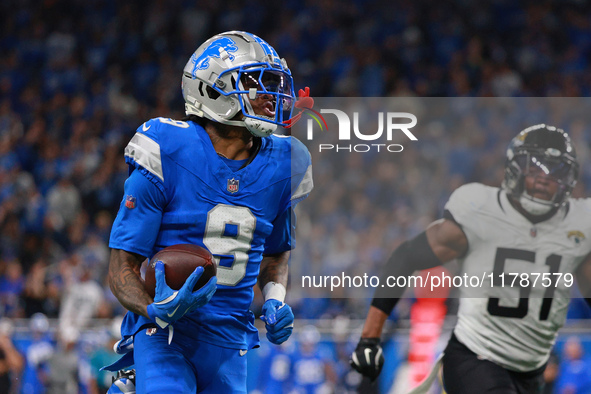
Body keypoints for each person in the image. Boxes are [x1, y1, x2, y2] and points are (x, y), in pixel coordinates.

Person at [104, 30, 313, 393]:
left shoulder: (286, 162)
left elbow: (276, 255)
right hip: (166, 333)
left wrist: (275, 301)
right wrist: (153, 309)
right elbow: (121, 268)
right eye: (256, 83)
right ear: (212, 89)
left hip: (231, 341)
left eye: (274, 83)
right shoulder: (167, 148)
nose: (271, 96)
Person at [351, 124, 591, 393]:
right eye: (534, 169)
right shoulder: (482, 211)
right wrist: (369, 338)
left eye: (554, 171)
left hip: (530, 370)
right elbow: (404, 258)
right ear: (515, 170)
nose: (544, 179)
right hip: (475, 358)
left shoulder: (579, 226)